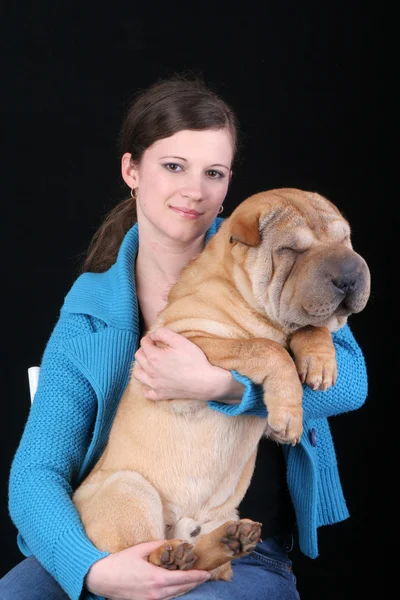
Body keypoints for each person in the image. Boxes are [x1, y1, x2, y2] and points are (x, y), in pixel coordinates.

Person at [0, 73, 368, 600]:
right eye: (174, 166)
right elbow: (37, 471)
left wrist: (222, 386)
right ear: (131, 169)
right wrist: (91, 567)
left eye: (213, 173)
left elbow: (350, 384)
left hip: (242, 544)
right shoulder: (90, 310)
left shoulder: (274, 262)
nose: (195, 191)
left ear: (228, 185)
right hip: (113, 527)